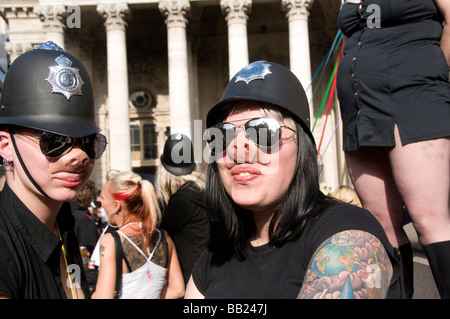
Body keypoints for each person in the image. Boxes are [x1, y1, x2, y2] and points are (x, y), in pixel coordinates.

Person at [185, 60, 401, 299]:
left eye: (262, 131)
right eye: (223, 135)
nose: (237, 148)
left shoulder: (347, 230)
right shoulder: (216, 254)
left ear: (302, 148)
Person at [337, 0, 450, 298]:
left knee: (428, 218)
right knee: (380, 221)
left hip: (413, 92)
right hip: (359, 105)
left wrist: (434, 73)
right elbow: (358, 34)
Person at [0, 41, 108, 299]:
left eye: (89, 142)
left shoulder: (63, 223)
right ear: (5, 146)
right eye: (55, 141)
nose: (80, 156)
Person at [91, 170, 185, 299]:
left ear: (116, 205)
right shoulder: (164, 237)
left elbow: (103, 297)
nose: (101, 203)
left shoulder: (111, 240)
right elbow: (178, 289)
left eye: (102, 197)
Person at [156, 133, 209, 285]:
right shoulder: (205, 189)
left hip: (191, 278)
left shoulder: (182, 199)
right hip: (210, 273)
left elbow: (162, 235)